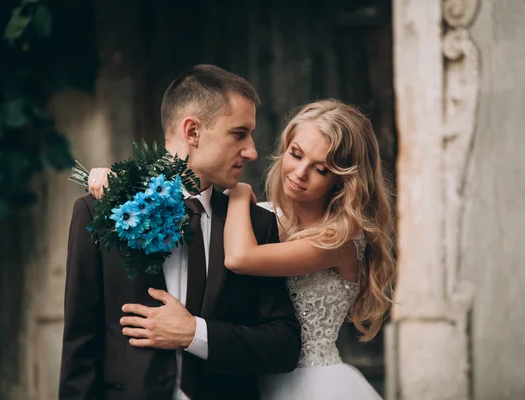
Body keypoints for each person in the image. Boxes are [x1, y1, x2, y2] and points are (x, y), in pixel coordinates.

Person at [59, 64, 301, 400]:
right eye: (239, 133)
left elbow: (284, 345)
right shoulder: (104, 211)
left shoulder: (256, 225)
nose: (252, 151)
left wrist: (194, 333)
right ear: (193, 131)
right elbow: (79, 351)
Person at [224, 99, 395, 399]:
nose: (300, 172)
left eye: (321, 169)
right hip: (252, 379)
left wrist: (238, 194)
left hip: (315, 385)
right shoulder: (262, 217)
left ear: (343, 180)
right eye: (296, 154)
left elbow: (240, 258)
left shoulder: (338, 239)